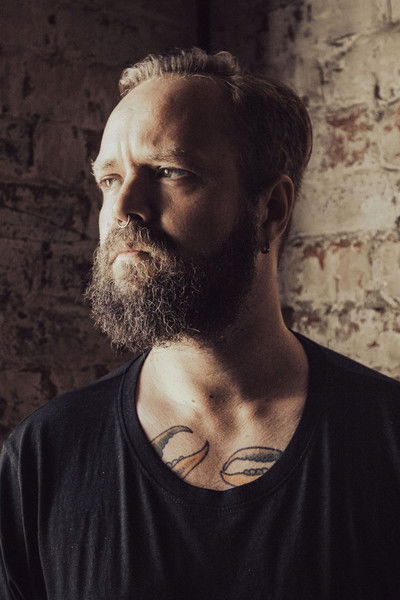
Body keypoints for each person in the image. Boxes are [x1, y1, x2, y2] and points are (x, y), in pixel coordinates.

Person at [1, 47, 400, 600]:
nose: (124, 209)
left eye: (170, 172)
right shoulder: (43, 456)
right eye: (110, 179)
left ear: (272, 210)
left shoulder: (387, 441)